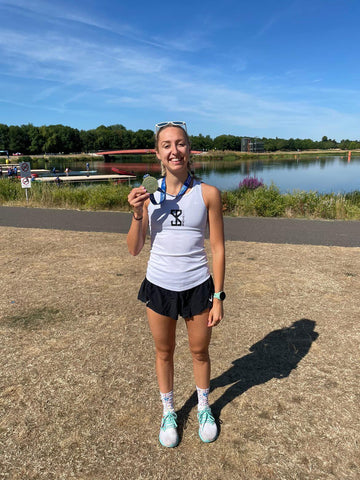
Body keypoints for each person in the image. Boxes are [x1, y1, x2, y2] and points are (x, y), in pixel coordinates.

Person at [127, 121, 225, 448]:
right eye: (167, 145)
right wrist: (138, 213)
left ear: (189, 149)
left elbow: (218, 248)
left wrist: (219, 297)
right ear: (157, 154)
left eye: (180, 143)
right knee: (163, 351)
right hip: (159, 286)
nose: (174, 150)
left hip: (199, 286)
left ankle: (204, 407)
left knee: (199, 351)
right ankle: (168, 410)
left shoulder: (208, 193)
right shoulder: (148, 195)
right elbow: (134, 248)